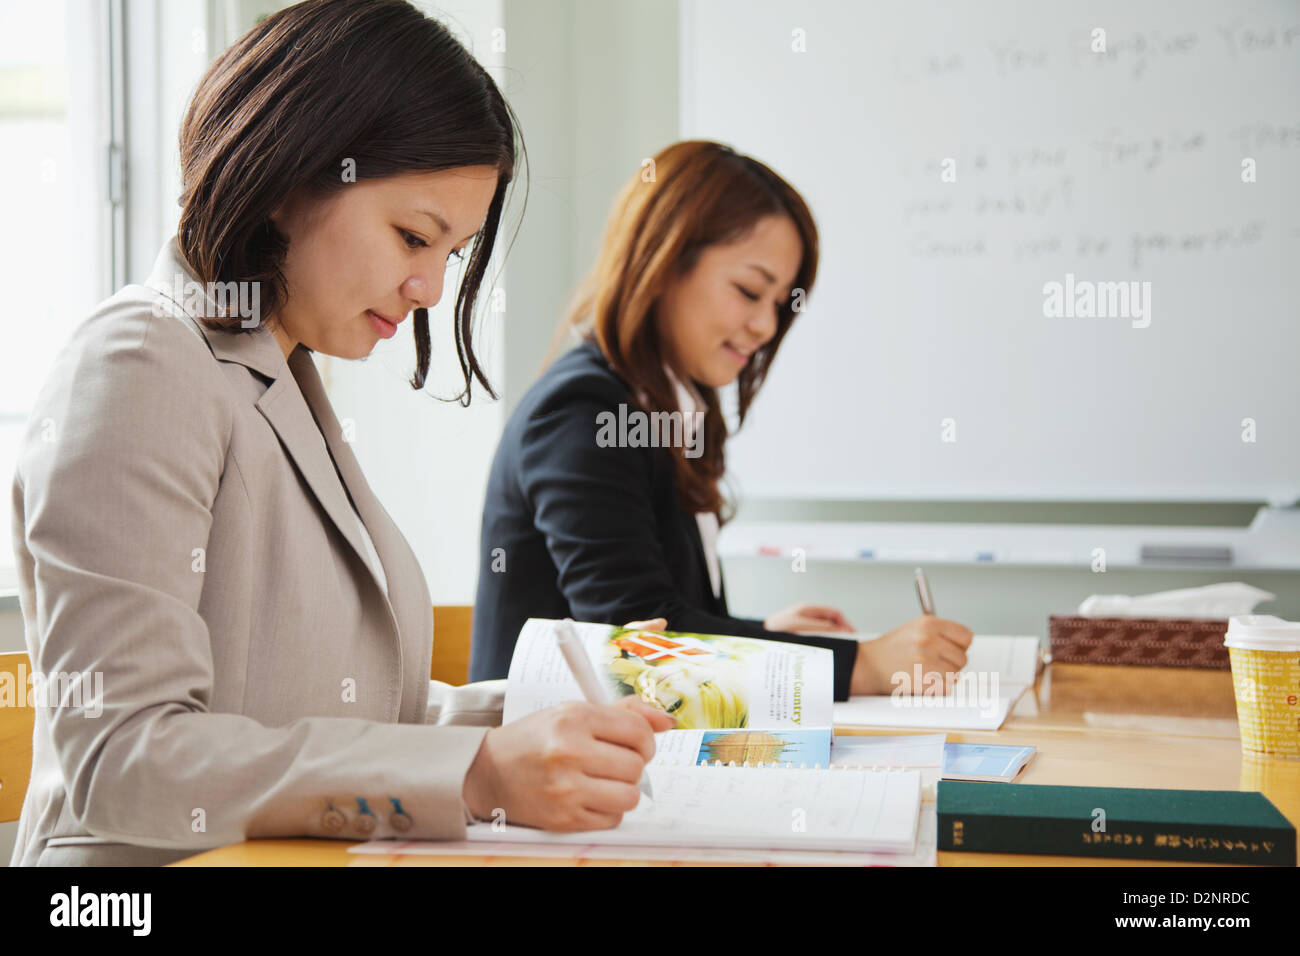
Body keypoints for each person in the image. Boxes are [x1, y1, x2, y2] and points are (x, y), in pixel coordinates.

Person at [9, 0, 670, 867]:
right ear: (289, 179)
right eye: (413, 236)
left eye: (453, 254)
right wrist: (474, 770)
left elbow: (341, 719)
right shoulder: (140, 362)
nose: (431, 287)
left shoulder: (282, 375)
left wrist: (521, 725)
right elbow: (128, 760)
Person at [471, 141, 974, 699]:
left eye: (780, 302)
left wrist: (763, 637)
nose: (765, 324)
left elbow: (668, 620)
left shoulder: (666, 403)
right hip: (545, 765)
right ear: (663, 263)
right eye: (749, 291)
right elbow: (641, 642)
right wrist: (862, 665)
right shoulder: (584, 412)